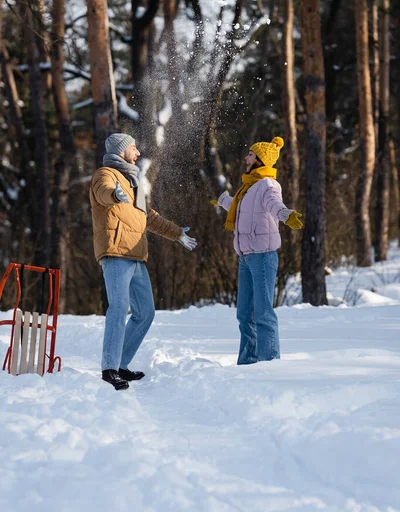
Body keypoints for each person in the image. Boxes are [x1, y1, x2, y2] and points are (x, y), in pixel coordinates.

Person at [90, 133, 197, 390]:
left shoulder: (132, 181)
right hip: (116, 253)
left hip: (136, 256)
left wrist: (176, 233)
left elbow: (148, 216)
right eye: (134, 148)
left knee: (145, 313)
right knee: (119, 308)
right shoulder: (106, 175)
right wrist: (114, 195)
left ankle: (121, 364)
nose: (137, 153)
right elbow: (103, 192)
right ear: (121, 150)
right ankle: (109, 368)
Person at [212, 136, 303, 365]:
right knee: (244, 315)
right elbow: (243, 208)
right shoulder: (249, 186)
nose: (246, 158)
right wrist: (224, 201)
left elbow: (274, 204)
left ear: (261, 159)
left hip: (262, 256)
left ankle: (269, 364)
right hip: (246, 256)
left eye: (250, 155)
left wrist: (285, 215)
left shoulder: (267, 185)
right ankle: (247, 363)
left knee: (263, 313)